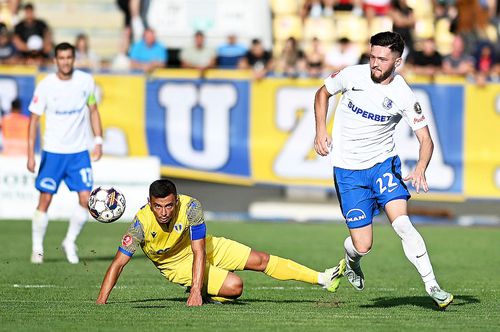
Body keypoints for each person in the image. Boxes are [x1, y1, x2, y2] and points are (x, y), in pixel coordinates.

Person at [313, 31, 453, 309]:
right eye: (372, 56)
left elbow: (426, 139)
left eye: (382, 59)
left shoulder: (402, 93)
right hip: (349, 171)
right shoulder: (352, 75)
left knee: (402, 223)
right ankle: (352, 262)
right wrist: (320, 130)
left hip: (382, 164)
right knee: (362, 245)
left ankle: (432, 286)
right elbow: (322, 93)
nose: (374, 63)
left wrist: (421, 167)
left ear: (397, 62)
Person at [96, 179, 345, 306]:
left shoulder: (191, 207)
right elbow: (118, 264)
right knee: (236, 287)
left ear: (177, 202)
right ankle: (206, 289)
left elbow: (199, 250)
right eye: (158, 206)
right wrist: (101, 303)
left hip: (203, 248)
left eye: (169, 205)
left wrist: (195, 290)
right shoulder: (140, 224)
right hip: (175, 265)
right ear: (150, 203)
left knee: (261, 260)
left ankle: (323, 278)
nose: (163, 212)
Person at [27, 42, 103, 264]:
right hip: (53, 152)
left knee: (86, 200)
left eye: (69, 57)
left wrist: (98, 140)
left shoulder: (85, 81)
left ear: (74, 58)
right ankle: (38, 248)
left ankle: (70, 241)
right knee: (45, 199)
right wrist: (30, 153)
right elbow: (33, 119)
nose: (65, 61)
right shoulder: (45, 86)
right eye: (61, 58)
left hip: (79, 152)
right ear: (55, 60)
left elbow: (93, 109)